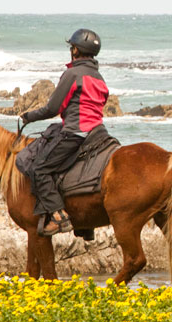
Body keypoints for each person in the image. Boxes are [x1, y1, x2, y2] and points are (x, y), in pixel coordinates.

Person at [20, 29, 109, 236]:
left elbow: (53, 108)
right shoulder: (99, 77)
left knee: (39, 168)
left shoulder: (72, 74)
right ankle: (87, 225)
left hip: (75, 133)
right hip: (98, 133)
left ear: (76, 50)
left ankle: (59, 216)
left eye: (72, 47)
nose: (71, 50)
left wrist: (29, 116)